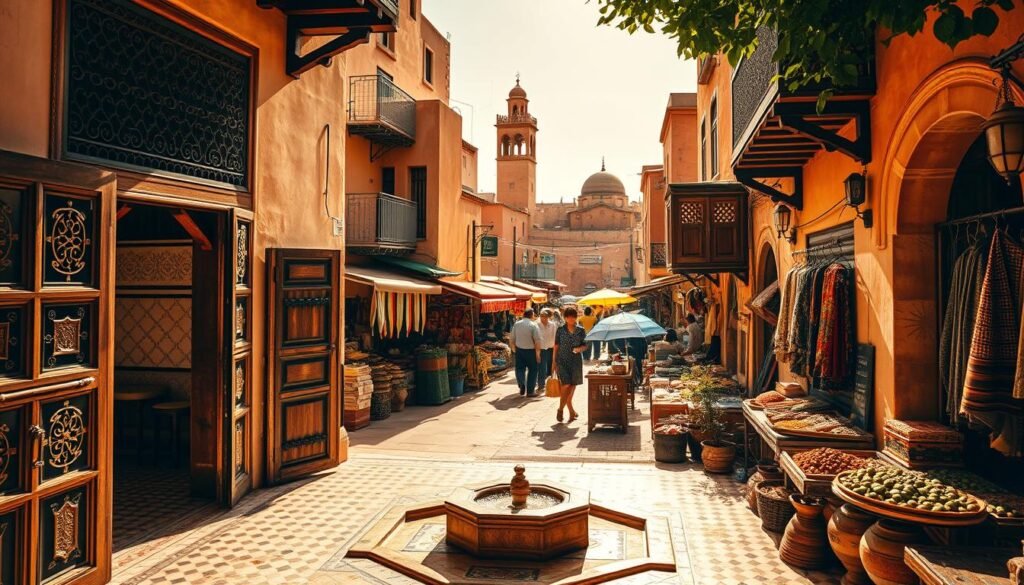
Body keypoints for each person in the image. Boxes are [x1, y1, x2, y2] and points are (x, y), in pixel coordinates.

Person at [553, 306, 588, 423]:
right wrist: (553, 362)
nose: (571, 319)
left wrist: (579, 349)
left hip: (576, 361)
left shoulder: (580, 330)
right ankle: (560, 409)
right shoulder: (560, 330)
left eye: (573, 317)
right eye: (569, 317)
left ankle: (571, 411)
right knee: (566, 385)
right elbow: (556, 346)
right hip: (562, 360)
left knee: (572, 386)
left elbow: (585, 345)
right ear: (565, 318)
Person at [509, 309, 542, 396]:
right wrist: (538, 354)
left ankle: (521, 383)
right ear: (531, 315)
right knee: (533, 370)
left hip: (519, 350)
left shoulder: (517, 324)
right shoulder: (533, 325)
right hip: (531, 351)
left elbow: (512, 338)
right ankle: (530, 391)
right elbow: (537, 341)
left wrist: (513, 349)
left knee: (519, 369)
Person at [536, 309, 558, 394]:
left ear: (548, 317)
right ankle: (541, 384)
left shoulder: (552, 325)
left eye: (545, 317)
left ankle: (552, 382)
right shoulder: (536, 325)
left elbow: (555, 336)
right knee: (542, 367)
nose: (544, 318)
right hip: (542, 348)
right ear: (540, 317)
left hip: (551, 348)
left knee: (551, 367)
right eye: (542, 317)